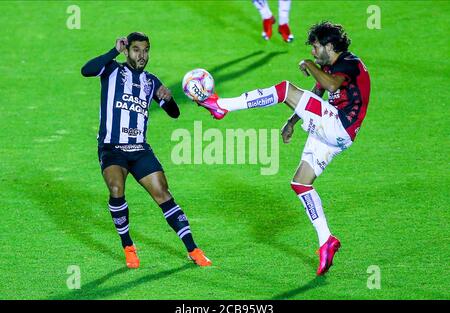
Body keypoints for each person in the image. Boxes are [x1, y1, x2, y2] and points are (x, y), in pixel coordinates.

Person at [198, 22, 370, 275]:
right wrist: (291, 121)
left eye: (315, 46)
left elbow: (332, 85)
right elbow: (318, 92)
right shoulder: (332, 66)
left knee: (285, 89)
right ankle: (326, 240)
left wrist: (308, 66)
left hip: (337, 125)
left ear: (329, 46)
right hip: (337, 133)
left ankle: (222, 105)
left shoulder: (349, 63)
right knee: (301, 182)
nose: (312, 51)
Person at [81, 32, 212, 269]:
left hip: (140, 150)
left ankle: (193, 249)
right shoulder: (111, 70)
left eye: (146, 50)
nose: (142, 55)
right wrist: (113, 51)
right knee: (116, 188)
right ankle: (128, 246)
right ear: (127, 50)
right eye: (136, 50)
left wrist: (169, 99)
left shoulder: (151, 82)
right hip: (112, 148)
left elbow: (174, 113)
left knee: (163, 193)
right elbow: (86, 70)